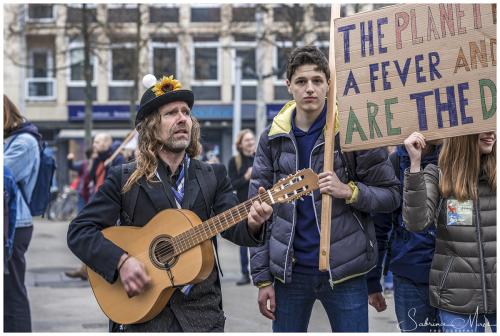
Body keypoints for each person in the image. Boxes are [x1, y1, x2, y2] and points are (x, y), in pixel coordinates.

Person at [67, 74, 273, 332]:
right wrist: (121, 261)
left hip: (202, 314)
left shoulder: (213, 175)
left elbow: (235, 229)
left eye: (186, 112)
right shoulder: (124, 178)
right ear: (151, 126)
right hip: (143, 312)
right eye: (170, 113)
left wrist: (253, 224)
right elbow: (79, 232)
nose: (182, 119)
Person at [249, 45, 400, 332]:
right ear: (288, 86)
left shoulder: (355, 131)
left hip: (344, 272)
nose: (310, 89)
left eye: (317, 81)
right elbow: (256, 216)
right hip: (289, 276)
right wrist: (263, 279)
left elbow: (391, 195)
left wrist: (350, 192)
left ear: (329, 85)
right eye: (302, 82)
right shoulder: (272, 139)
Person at [403, 131, 496, 333]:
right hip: (456, 299)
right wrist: (415, 165)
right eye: (484, 126)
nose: (491, 133)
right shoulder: (438, 174)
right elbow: (416, 223)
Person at [367, 142, 441, 332]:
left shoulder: (456, 157)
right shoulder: (395, 161)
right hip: (410, 276)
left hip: (454, 277)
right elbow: (380, 226)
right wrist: (373, 281)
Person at [3, 94, 41, 332]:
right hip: (9, 221)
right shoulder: (12, 139)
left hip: (15, 225)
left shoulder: (24, 141)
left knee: (11, 291)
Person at [66, 134, 125, 280]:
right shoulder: (98, 159)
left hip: (110, 203)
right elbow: (91, 177)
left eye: (97, 142)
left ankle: (88, 270)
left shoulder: (116, 159)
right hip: (97, 199)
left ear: (107, 143)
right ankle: (86, 269)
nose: (95, 144)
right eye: (94, 142)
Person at [227, 129, 256, 286]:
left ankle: (261, 274)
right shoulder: (235, 161)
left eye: (252, 139)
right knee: (244, 241)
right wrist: (245, 177)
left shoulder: (260, 157)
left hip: (260, 203)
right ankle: (245, 273)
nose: (250, 142)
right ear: (241, 144)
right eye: (247, 140)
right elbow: (231, 184)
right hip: (243, 205)